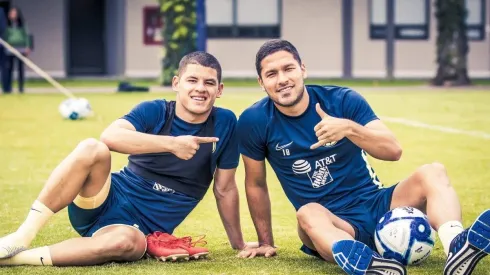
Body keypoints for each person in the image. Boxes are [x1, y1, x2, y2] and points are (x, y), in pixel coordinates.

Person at [236, 39, 489, 275]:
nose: (282, 79)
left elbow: (393, 151)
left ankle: (456, 245)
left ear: (302, 69)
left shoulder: (342, 100)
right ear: (261, 82)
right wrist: (265, 242)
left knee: (433, 171)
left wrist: (349, 128)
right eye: (271, 74)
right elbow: (255, 184)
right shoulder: (254, 121)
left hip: (378, 205)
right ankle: (368, 264)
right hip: (332, 223)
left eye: (288, 69)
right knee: (307, 212)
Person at [0, 51, 248, 266]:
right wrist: (172, 144)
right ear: (176, 83)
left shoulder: (226, 123)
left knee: (127, 243)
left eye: (209, 82)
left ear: (220, 90)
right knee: (91, 148)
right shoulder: (155, 110)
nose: (200, 88)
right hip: (103, 200)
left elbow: (225, 189)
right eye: (192, 80)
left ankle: (15, 259)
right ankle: (21, 237)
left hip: (135, 230)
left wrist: (239, 244)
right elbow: (110, 137)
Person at [2, 6, 30, 93]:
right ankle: (8, 88)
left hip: (21, 49)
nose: (13, 15)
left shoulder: (22, 25)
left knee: (20, 69)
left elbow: (27, 36)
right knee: (9, 68)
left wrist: (28, 46)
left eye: (14, 13)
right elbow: (5, 36)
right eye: (11, 13)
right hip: (10, 49)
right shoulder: (6, 25)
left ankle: (21, 88)